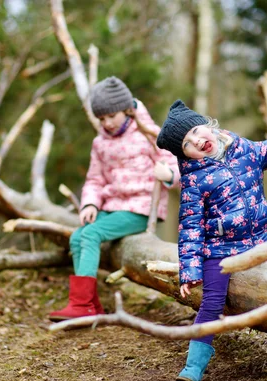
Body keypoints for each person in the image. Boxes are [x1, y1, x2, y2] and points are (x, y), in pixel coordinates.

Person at [155, 99, 267, 381]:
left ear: (209, 125)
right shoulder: (194, 181)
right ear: (184, 155)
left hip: (261, 237)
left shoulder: (242, 149)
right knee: (212, 302)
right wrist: (189, 270)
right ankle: (193, 367)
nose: (198, 141)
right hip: (219, 250)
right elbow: (191, 227)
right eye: (188, 143)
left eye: (197, 131)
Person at [49, 77, 179, 322]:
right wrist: (90, 203)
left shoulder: (149, 135)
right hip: (111, 208)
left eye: (111, 116)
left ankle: (82, 305)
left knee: (90, 234)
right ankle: (90, 305)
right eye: (101, 119)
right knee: (78, 236)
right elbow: (94, 179)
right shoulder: (100, 143)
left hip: (139, 209)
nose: (107, 123)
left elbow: (177, 164)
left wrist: (170, 175)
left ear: (127, 110)